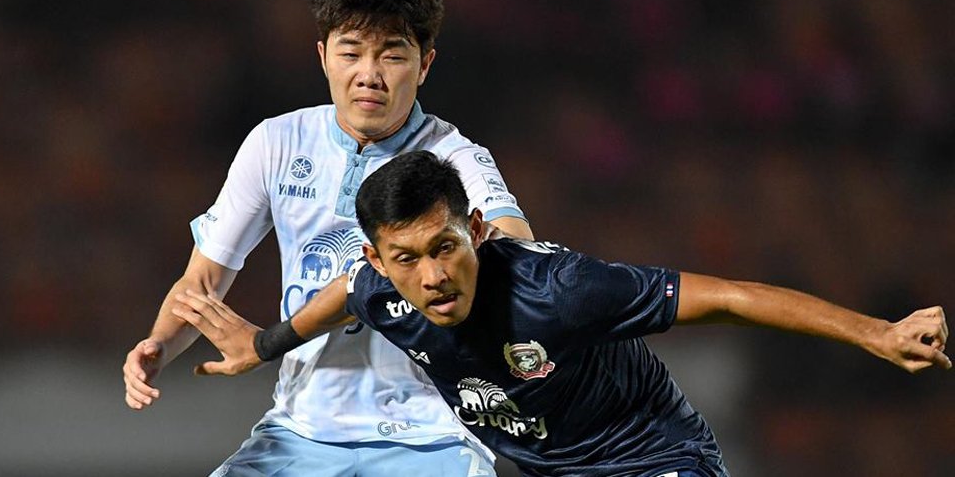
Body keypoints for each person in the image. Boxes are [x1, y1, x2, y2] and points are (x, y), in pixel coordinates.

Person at [171, 150, 950, 477]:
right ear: (378, 259)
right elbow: (346, 292)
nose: (433, 276)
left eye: (446, 247)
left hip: (653, 459)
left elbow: (727, 297)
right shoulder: (380, 289)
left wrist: (876, 333)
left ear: (477, 230)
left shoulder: (559, 290)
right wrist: (265, 343)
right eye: (406, 258)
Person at [122, 0, 533, 477]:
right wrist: (158, 344)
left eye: (393, 55)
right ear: (323, 56)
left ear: (425, 64)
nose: (369, 75)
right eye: (351, 52)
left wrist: (486, 246)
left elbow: (517, 250)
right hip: (301, 432)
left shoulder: (453, 157)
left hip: (430, 434)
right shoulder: (276, 143)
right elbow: (203, 281)